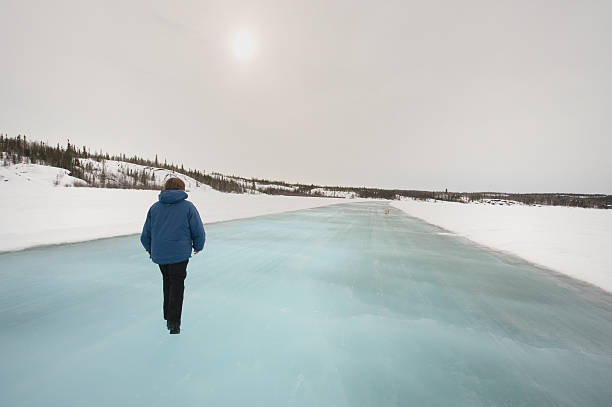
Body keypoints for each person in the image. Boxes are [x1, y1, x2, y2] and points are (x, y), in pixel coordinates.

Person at [140, 177, 205, 334]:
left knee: (167, 280)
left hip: (160, 253)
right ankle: (173, 322)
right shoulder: (188, 207)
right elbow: (198, 230)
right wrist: (198, 246)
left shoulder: (155, 208)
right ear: (182, 189)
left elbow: (146, 234)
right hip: (179, 254)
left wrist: (150, 248)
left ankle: (167, 314)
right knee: (177, 285)